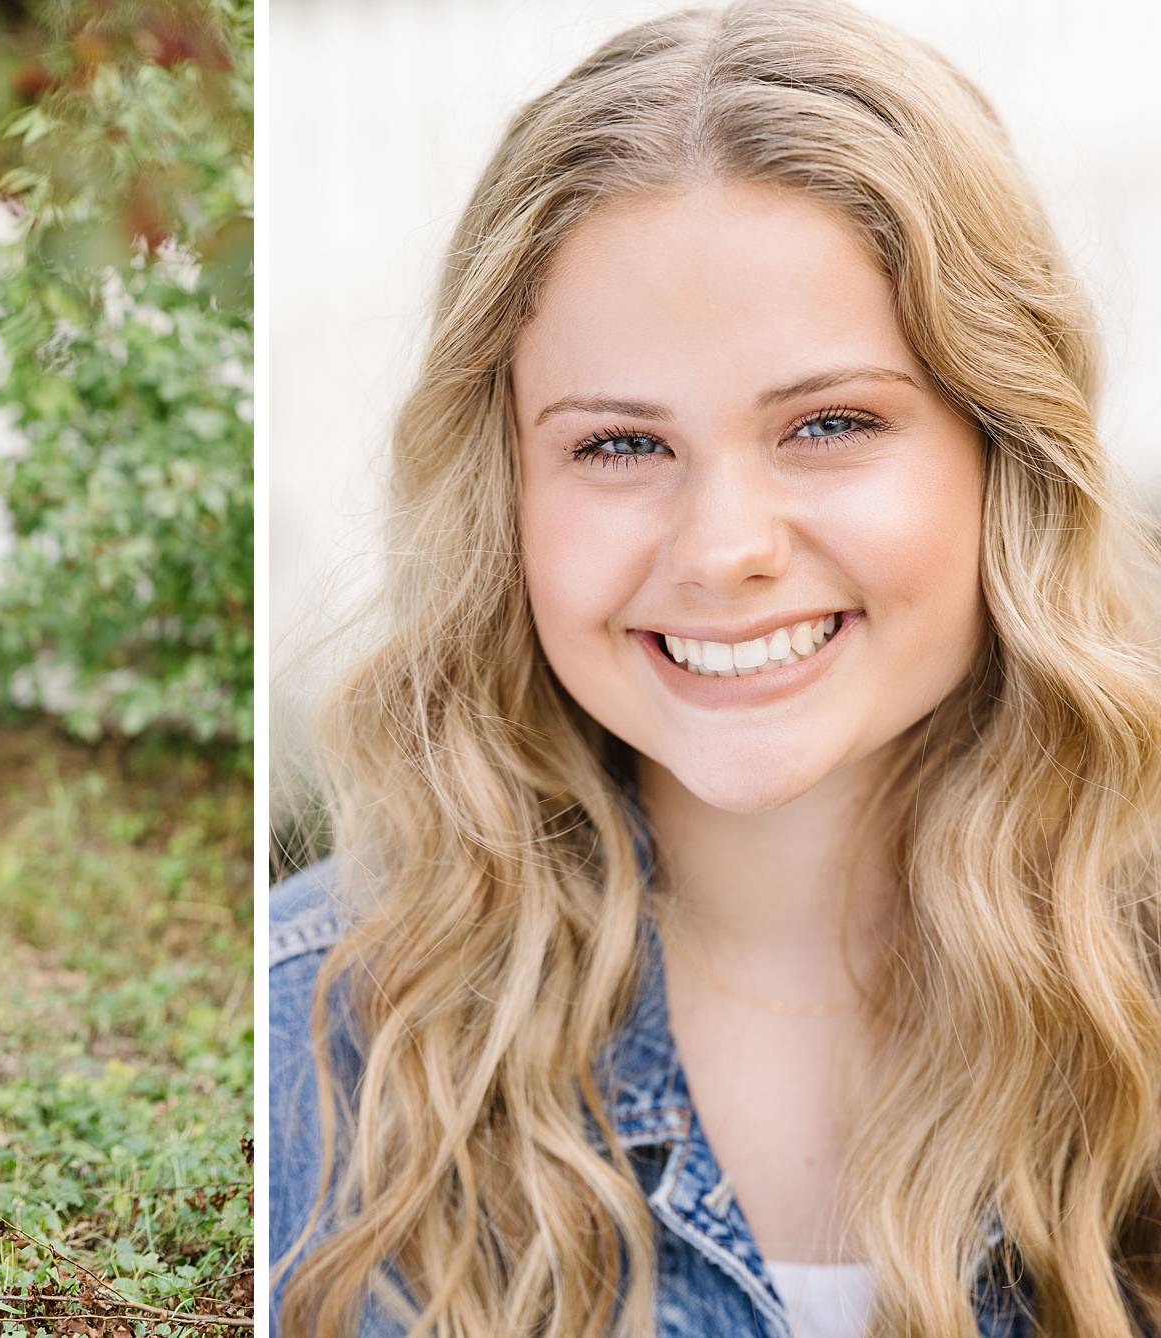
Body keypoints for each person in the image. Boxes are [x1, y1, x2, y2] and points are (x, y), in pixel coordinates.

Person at [269, 2, 1161, 1335]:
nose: (726, 548)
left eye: (831, 422)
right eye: (621, 445)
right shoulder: (311, 1036)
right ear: (506, 484)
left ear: (1003, 450)